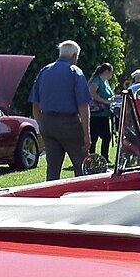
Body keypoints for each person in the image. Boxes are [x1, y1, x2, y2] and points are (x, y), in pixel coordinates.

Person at [29, 40, 91, 181]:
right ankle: (84, 196)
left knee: (53, 169)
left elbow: (35, 105)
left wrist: (42, 124)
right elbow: (83, 105)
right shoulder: (75, 72)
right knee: (81, 165)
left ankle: (52, 198)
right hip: (69, 123)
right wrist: (87, 133)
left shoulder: (44, 71)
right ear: (74, 56)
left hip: (48, 123)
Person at [88, 63, 116, 161]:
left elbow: (108, 94)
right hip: (95, 115)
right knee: (94, 138)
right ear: (106, 72)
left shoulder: (106, 82)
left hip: (104, 114)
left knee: (106, 137)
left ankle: (104, 157)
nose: (111, 75)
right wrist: (105, 101)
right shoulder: (96, 80)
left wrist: (112, 99)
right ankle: (91, 158)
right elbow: (92, 93)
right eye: (110, 72)